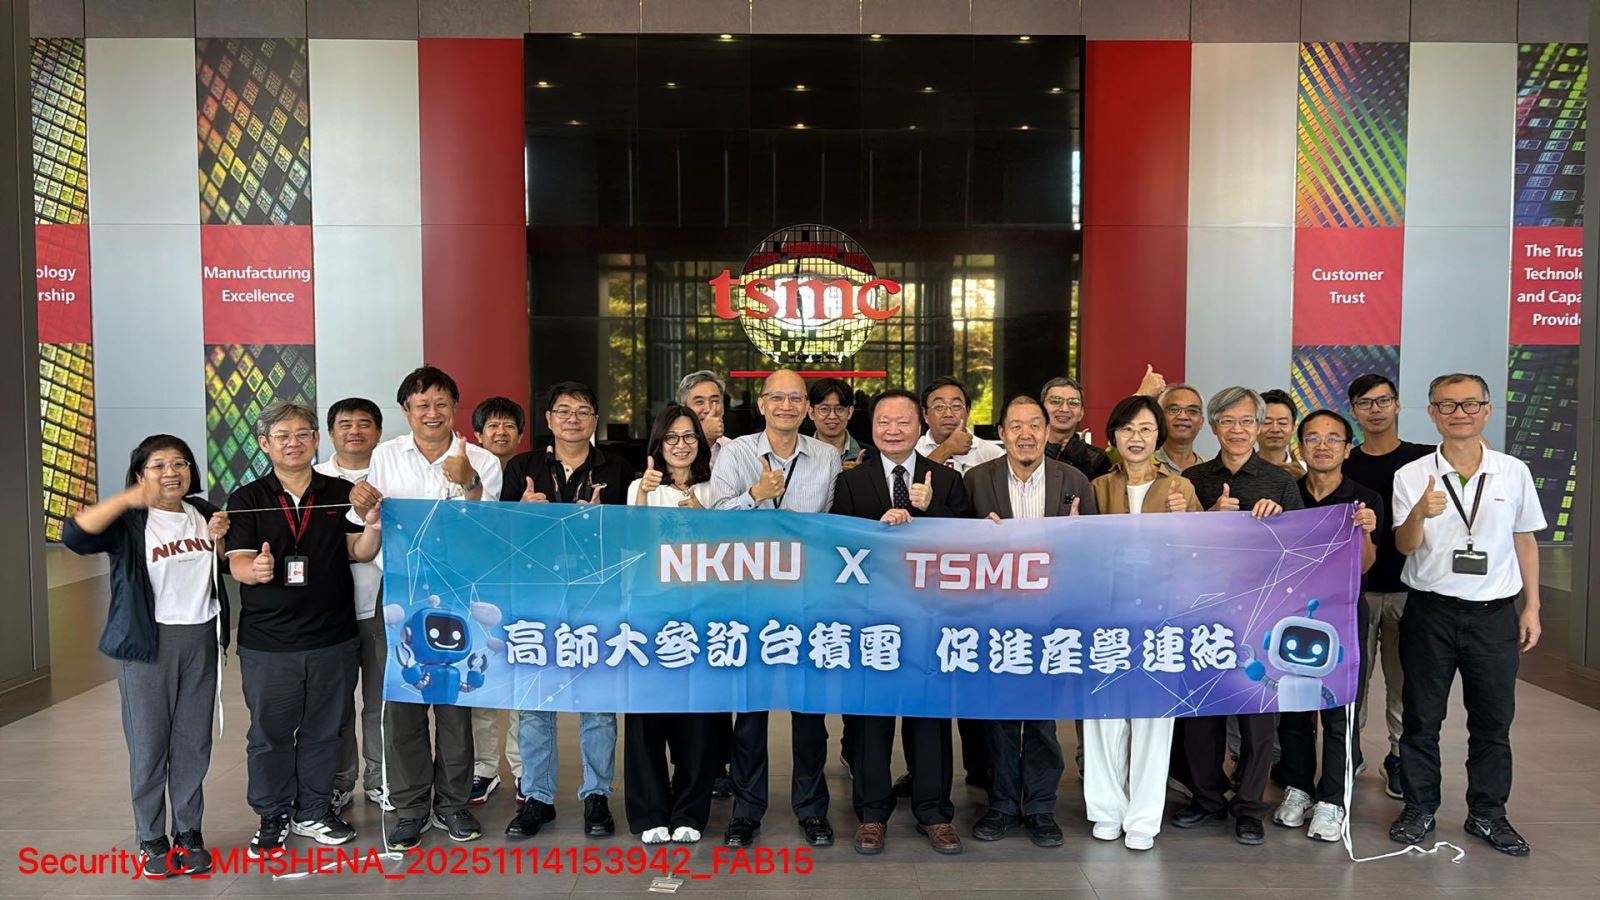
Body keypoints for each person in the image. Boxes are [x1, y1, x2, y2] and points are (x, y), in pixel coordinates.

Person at [1388, 374, 1546, 857]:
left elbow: (1525, 539)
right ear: (1432, 413)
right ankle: (1419, 807)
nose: (1460, 413)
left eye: (1470, 404)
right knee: (1421, 719)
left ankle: (1488, 814)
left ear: (1487, 410)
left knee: (1493, 721)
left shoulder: (1512, 472)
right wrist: (1419, 512)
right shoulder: (1412, 474)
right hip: (1430, 613)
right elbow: (1404, 546)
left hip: (1495, 616)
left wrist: (1532, 605)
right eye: (1448, 405)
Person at [349, 365, 503, 850]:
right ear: (406, 411)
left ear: (454, 407)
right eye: (421, 405)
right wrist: (362, 502)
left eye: (440, 403)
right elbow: (367, 524)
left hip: (460, 594)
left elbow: (489, 534)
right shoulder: (385, 456)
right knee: (403, 705)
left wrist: (469, 482)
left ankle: (453, 805)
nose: (431, 413)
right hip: (399, 593)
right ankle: (410, 807)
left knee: (455, 704)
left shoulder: (482, 460)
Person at [63, 435, 229, 878]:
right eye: (158, 465)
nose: (171, 472)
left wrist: (221, 541)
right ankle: (151, 837)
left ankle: (189, 832)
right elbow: (75, 536)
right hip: (147, 643)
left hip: (200, 638)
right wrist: (127, 499)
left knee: (193, 743)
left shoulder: (205, 513)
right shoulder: (130, 521)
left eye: (180, 463)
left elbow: (222, 566)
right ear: (140, 474)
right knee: (150, 743)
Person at [226, 401, 383, 855]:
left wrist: (372, 527)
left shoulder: (340, 492)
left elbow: (359, 551)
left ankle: (314, 811)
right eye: (282, 436)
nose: (293, 443)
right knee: (270, 734)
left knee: (325, 730)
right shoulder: (248, 498)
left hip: (332, 636)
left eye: (301, 434)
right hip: (269, 642)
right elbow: (236, 560)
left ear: (316, 440)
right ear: (265, 444)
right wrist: (253, 570)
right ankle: (272, 814)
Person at [831, 389, 970, 856]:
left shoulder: (945, 479)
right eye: (884, 422)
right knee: (870, 720)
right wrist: (877, 527)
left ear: (919, 426)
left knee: (928, 719)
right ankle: (871, 814)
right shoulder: (851, 481)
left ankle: (934, 813)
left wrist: (931, 513)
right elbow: (837, 545)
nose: (893, 430)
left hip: (929, 620)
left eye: (903, 422)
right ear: (872, 427)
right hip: (871, 620)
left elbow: (968, 547)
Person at [709, 369, 844, 848]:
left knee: (810, 715)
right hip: (749, 600)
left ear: (806, 407)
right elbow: (713, 518)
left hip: (808, 601)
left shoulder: (827, 457)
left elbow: (834, 525)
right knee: (750, 715)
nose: (786, 405)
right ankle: (746, 812)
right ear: (762, 404)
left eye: (795, 398)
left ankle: (812, 810)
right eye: (777, 397)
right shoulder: (736, 453)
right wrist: (754, 496)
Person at [964, 394, 1097, 848]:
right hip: (995, 617)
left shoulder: (1074, 480)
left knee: (1042, 718)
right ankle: (1002, 805)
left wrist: (1075, 537)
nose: (1026, 434)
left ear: (1047, 431)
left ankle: (1040, 807)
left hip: (1052, 618)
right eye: (1016, 426)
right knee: (999, 717)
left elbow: (1093, 552)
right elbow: (951, 546)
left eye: (1034, 425)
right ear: (1001, 433)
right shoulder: (976, 480)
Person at [1174, 386, 1303, 846]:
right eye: (1227, 421)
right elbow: (1176, 548)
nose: (1237, 430)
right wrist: (1209, 515)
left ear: (1260, 426)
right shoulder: (1192, 479)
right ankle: (1207, 798)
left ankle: (1249, 807)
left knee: (1258, 716)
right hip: (1203, 611)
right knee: (1201, 714)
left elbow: (1300, 550)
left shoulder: (1281, 482)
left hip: (1261, 613)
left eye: (1247, 421)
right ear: (1213, 426)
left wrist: (1278, 521)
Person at [501, 382, 631, 839]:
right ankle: (537, 797)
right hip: (536, 597)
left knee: (598, 705)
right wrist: (520, 511)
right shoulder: (523, 468)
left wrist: (603, 521)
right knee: (536, 704)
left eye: (582, 411)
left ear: (595, 419)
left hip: (597, 598)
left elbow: (632, 537)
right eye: (563, 410)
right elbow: (501, 535)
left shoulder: (617, 469)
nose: (573, 418)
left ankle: (597, 795)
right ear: (549, 419)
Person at [1085, 395, 1201, 851]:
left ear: (1159, 437)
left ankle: (1144, 817)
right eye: (1127, 429)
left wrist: (1186, 520)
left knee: (1154, 718)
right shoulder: (1096, 487)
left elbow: (1199, 554)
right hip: (1105, 617)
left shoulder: (1180, 487)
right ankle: (1106, 809)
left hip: (1161, 618)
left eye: (1146, 429)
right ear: (1114, 435)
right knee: (1103, 716)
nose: (1136, 438)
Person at [1273, 409, 1380, 842]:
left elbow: (1366, 565)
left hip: (1344, 614)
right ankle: (1298, 787)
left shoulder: (1364, 498)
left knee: (1339, 709)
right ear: (1300, 447)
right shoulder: (1287, 494)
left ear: (1347, 449)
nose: (1323, 446)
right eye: (1313, 438)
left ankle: (1332, 800)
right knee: (1295, 707)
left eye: (1333, 439)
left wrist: (1366, 532)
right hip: (1291, 614)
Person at [623, 404, 721, 844]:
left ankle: (690, 812)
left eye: (689, 436)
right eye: (672, 438)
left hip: (704, 614)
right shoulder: (640, 487)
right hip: (650, 615)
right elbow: (633, 548)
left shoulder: (716, 487)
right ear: (658, 445)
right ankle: (649, 813)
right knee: (647, 716)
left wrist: (702, 511)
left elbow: (731, 548)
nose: (681, 445)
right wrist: (643, 498)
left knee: (698, 718)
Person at [1343, 373, 1432, 800]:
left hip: (1407, 588)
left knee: (1403, 683)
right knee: (1352, 682)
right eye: (1365, 402)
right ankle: (1349, 753)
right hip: (1354, 591)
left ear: (1397, 405)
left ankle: (1398, 757)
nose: (1375, 409)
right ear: (1353, 410)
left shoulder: (1424, 459)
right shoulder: (1344, 462)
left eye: (1383, 401)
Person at [319, 398, 388, 813]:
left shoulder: (390, 472)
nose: (355, 431)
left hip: (383, 607)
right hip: (332, 611)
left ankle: (380, 779)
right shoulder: (316, 479)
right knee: (337, 705)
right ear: (330, 433)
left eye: (364, 424)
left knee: (381, 702)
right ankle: (340, 781)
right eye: (345, 424)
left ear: (378, 432)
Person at [467, 395, 528, 805]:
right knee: (481, 675)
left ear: (520, 434)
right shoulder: (466, 475)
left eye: (509, 425)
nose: (501, 432)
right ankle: (484, 768)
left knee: (524, 679)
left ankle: (523, 769)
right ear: (478, 434)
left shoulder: (530, 473)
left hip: (523, 588)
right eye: (492, 425)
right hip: (479, 587)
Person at [916, 376, 1005, 474]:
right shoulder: (913, 450)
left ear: (968, 411)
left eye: (956, 406)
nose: (948, 414)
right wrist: (947, 448)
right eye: (939, 407)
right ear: (925, 414)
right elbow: (914, 482)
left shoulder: (991, 453)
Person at [1041, 376, 1112, 480]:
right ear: (1041, 409)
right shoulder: (1026, 451)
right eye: (1056, 401)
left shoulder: (1097, 458)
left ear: (1081, 413)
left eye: (1073, 402)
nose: (1064, 409)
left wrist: (1083, 464)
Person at [808, 377, 863, 466]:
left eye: (840, 409)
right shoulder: (796, 455)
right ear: (811, 413)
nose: (832, 416)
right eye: (824, 409)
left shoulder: (871, 457)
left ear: (850, 412)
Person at [679, 369, 730, 465]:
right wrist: (705, 437)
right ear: (684, 409)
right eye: (699, 402)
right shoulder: (673, 447)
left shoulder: (735, 449)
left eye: (715, 401)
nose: (708, 409)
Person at [1155, 383, 1207, 475]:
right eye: (1174, 410)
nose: (1183, 416)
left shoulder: (1209, 470)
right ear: (1160, 418)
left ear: (1201, 422)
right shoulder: (1142, 463)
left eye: (1192, 411)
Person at [1258, 389, 1305, 476]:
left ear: (1294, 427)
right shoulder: (1239, 469)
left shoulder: (1307, 472)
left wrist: (1304, 481)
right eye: (1267, 422)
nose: (1275, 429)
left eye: (1282, 423)